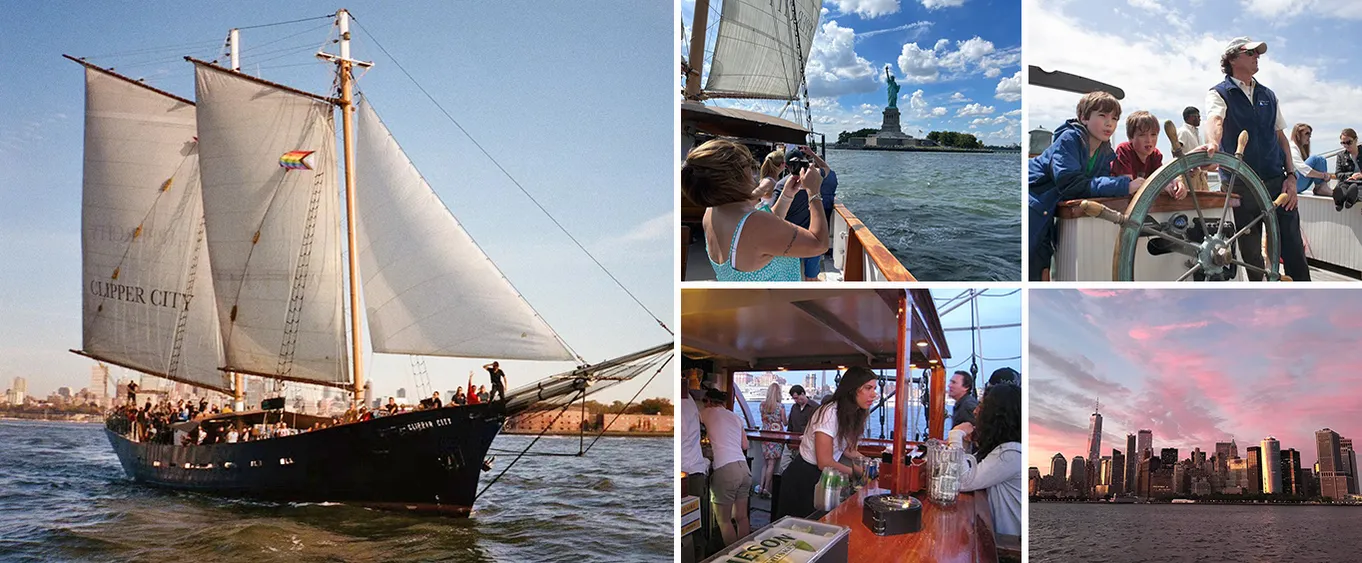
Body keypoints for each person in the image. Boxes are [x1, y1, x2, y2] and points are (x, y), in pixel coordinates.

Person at [1199, 37, 1309, 281]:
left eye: (1257, 53)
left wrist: (1291, 176)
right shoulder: (1218, 94)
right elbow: (1215, 120)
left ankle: (1306, 297)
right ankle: (1263, 304)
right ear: (1233, 58)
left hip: (1275, 181)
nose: (1257, 56)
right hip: (1240, 185)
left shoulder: (1268, 95)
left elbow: (1281, 138)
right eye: (1250, 53)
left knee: (1292, 247)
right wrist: (1214, 144)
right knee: (1251, 254)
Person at [681, 139, 829, 282]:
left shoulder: (711, 212)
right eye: (749, 166)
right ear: (735, 178)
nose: (753, 172)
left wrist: (786, 196)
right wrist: (813, 191)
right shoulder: (755, 224)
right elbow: (819, 244)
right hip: (776, 306)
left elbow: (766, 234)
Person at [1028, 91, 1138, 281]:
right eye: (1102, 116)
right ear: (1084, 118)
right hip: (1035, 205)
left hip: (1051, 209)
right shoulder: (1069, 140)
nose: (1109, 123)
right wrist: (1125, 185)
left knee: (1043, 268)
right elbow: (1071, 184)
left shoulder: (1105, 152)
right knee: (1033, 264)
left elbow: (1098, 186)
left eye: (1114, 118)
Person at [775, 367, 876, 520]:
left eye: (874, 388)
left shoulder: (848, 413)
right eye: (868, 388)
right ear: (852, 389)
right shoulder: (830, 413)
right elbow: (824, 462)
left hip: (822, 477)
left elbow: (847, 448)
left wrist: (871, 465)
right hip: (804, 477)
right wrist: (859, 474)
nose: (874, 394)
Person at [952, 382, 1022, 538]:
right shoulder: (1003, 449)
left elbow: (961, 481)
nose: (976, 411)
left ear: (996, 414)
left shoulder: (1011, 453)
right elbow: (970, 469)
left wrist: (956, 435)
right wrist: (965, 442)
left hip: (1007, 545)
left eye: (982, 406)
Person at [773, 145, 840, 280]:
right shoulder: (815, 180)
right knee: (811, 277)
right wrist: (813, 154)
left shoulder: (781, 186)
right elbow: (827, 169)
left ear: (786, 165)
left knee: (790, 276)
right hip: (811, 236)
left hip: (790, 241)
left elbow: (774, 218)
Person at [697, 388, 750, 547]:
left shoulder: (706, 413)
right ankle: (744, 551)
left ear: (708, 401)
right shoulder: (735, 417)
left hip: (726, 468)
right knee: (742, 517)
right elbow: (745, 445)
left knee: (724, 520)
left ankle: (732, 556)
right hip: (744, 468)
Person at [1112, 110, 1185, 199]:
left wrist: (1176, 185)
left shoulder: (1155, 155)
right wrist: (1161, 186)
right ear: (1131, 137)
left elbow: (1162, 178)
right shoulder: (1124, 150)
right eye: (1142, 135)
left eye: (1153, 134)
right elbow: (1130, 188)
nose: (1149, 140)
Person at [679, 383, 710, 560]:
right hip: (696, 468)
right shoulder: (689, 400)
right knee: (694, 523)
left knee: (689, 524)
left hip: (687, 471)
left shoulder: (684, 404)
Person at [778, 384, 819, 474]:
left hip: (807, 442)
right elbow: (791, 424)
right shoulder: (794, 407)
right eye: (794, 398)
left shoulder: (815, 407)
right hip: (793, 440)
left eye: (797, 398)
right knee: (784, 463)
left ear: (803, 394)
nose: (796, 400)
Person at [757, 383, 787, 498]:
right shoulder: (780, 406)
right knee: (772, 463)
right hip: (776, 436)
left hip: (764, 434)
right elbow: (784, 422)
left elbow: (763, 419)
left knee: (765, 462)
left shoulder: (762, 405)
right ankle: (767, 488)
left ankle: (760, 486)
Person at [1288, 124, 1332, 196]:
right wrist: (1323, 175)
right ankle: (1320, 187)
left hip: (1297, 184)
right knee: (1316, 159)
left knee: (1322, 159)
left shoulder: (1298, 148)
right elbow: (1304, 169)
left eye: (1310, 134)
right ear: (1298, 135)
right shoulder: (1292, 148)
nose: (1309, 136)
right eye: (1307, 133)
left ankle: (1321, 187)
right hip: (1293, 184)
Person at [1333, 128, 1362, 210]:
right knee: (1343, 188)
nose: (1346, 145)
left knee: (1357, 189)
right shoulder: (1341, 156)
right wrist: (1350, 175)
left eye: (1348, 142)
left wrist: (1360, 175)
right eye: (1343, 143)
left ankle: (1352, 199)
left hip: (1360, 183)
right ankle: (1340, 201)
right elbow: (1338, 174)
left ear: (1356, 140)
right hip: (1347, 181)